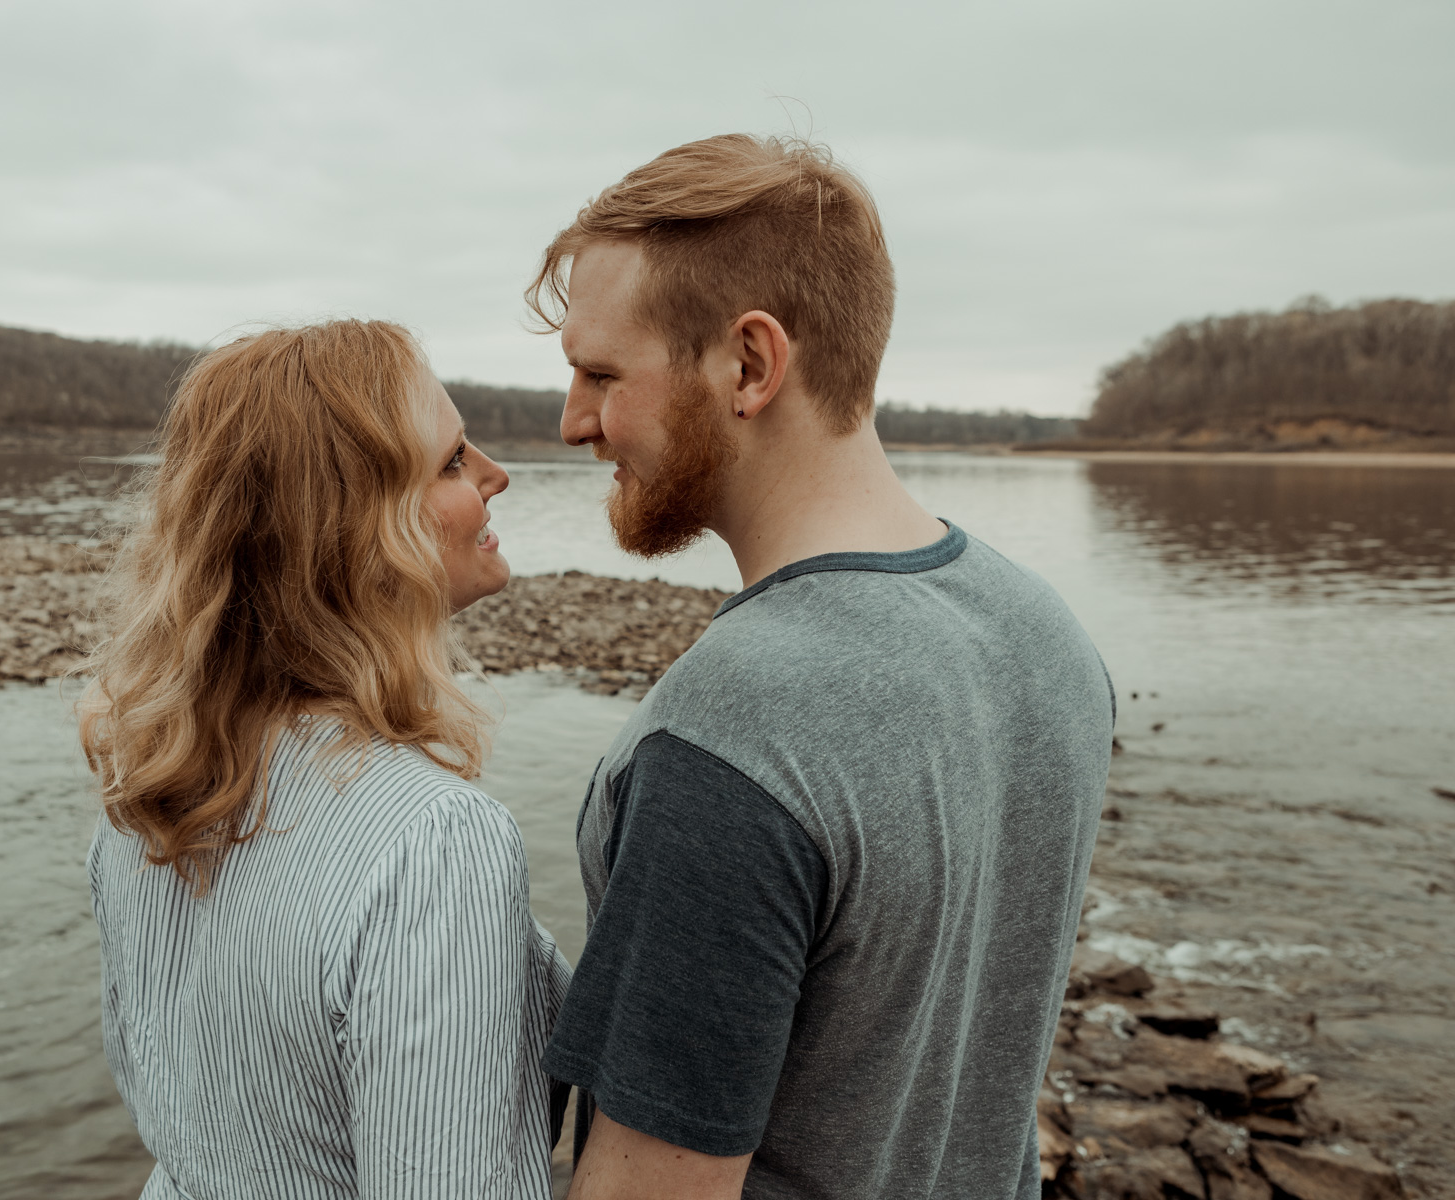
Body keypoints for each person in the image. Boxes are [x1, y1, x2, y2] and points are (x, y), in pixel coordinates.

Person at [529, 135, 1114, 1199]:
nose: (574, 422)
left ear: (750, 366)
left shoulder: (733, 731)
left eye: (600, 374)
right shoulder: (1048, 636)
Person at [77, 320, 569, 1199]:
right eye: (453, 462)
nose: (496, 475)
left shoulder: (148, 794)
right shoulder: (433, 844)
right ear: (361, 529)